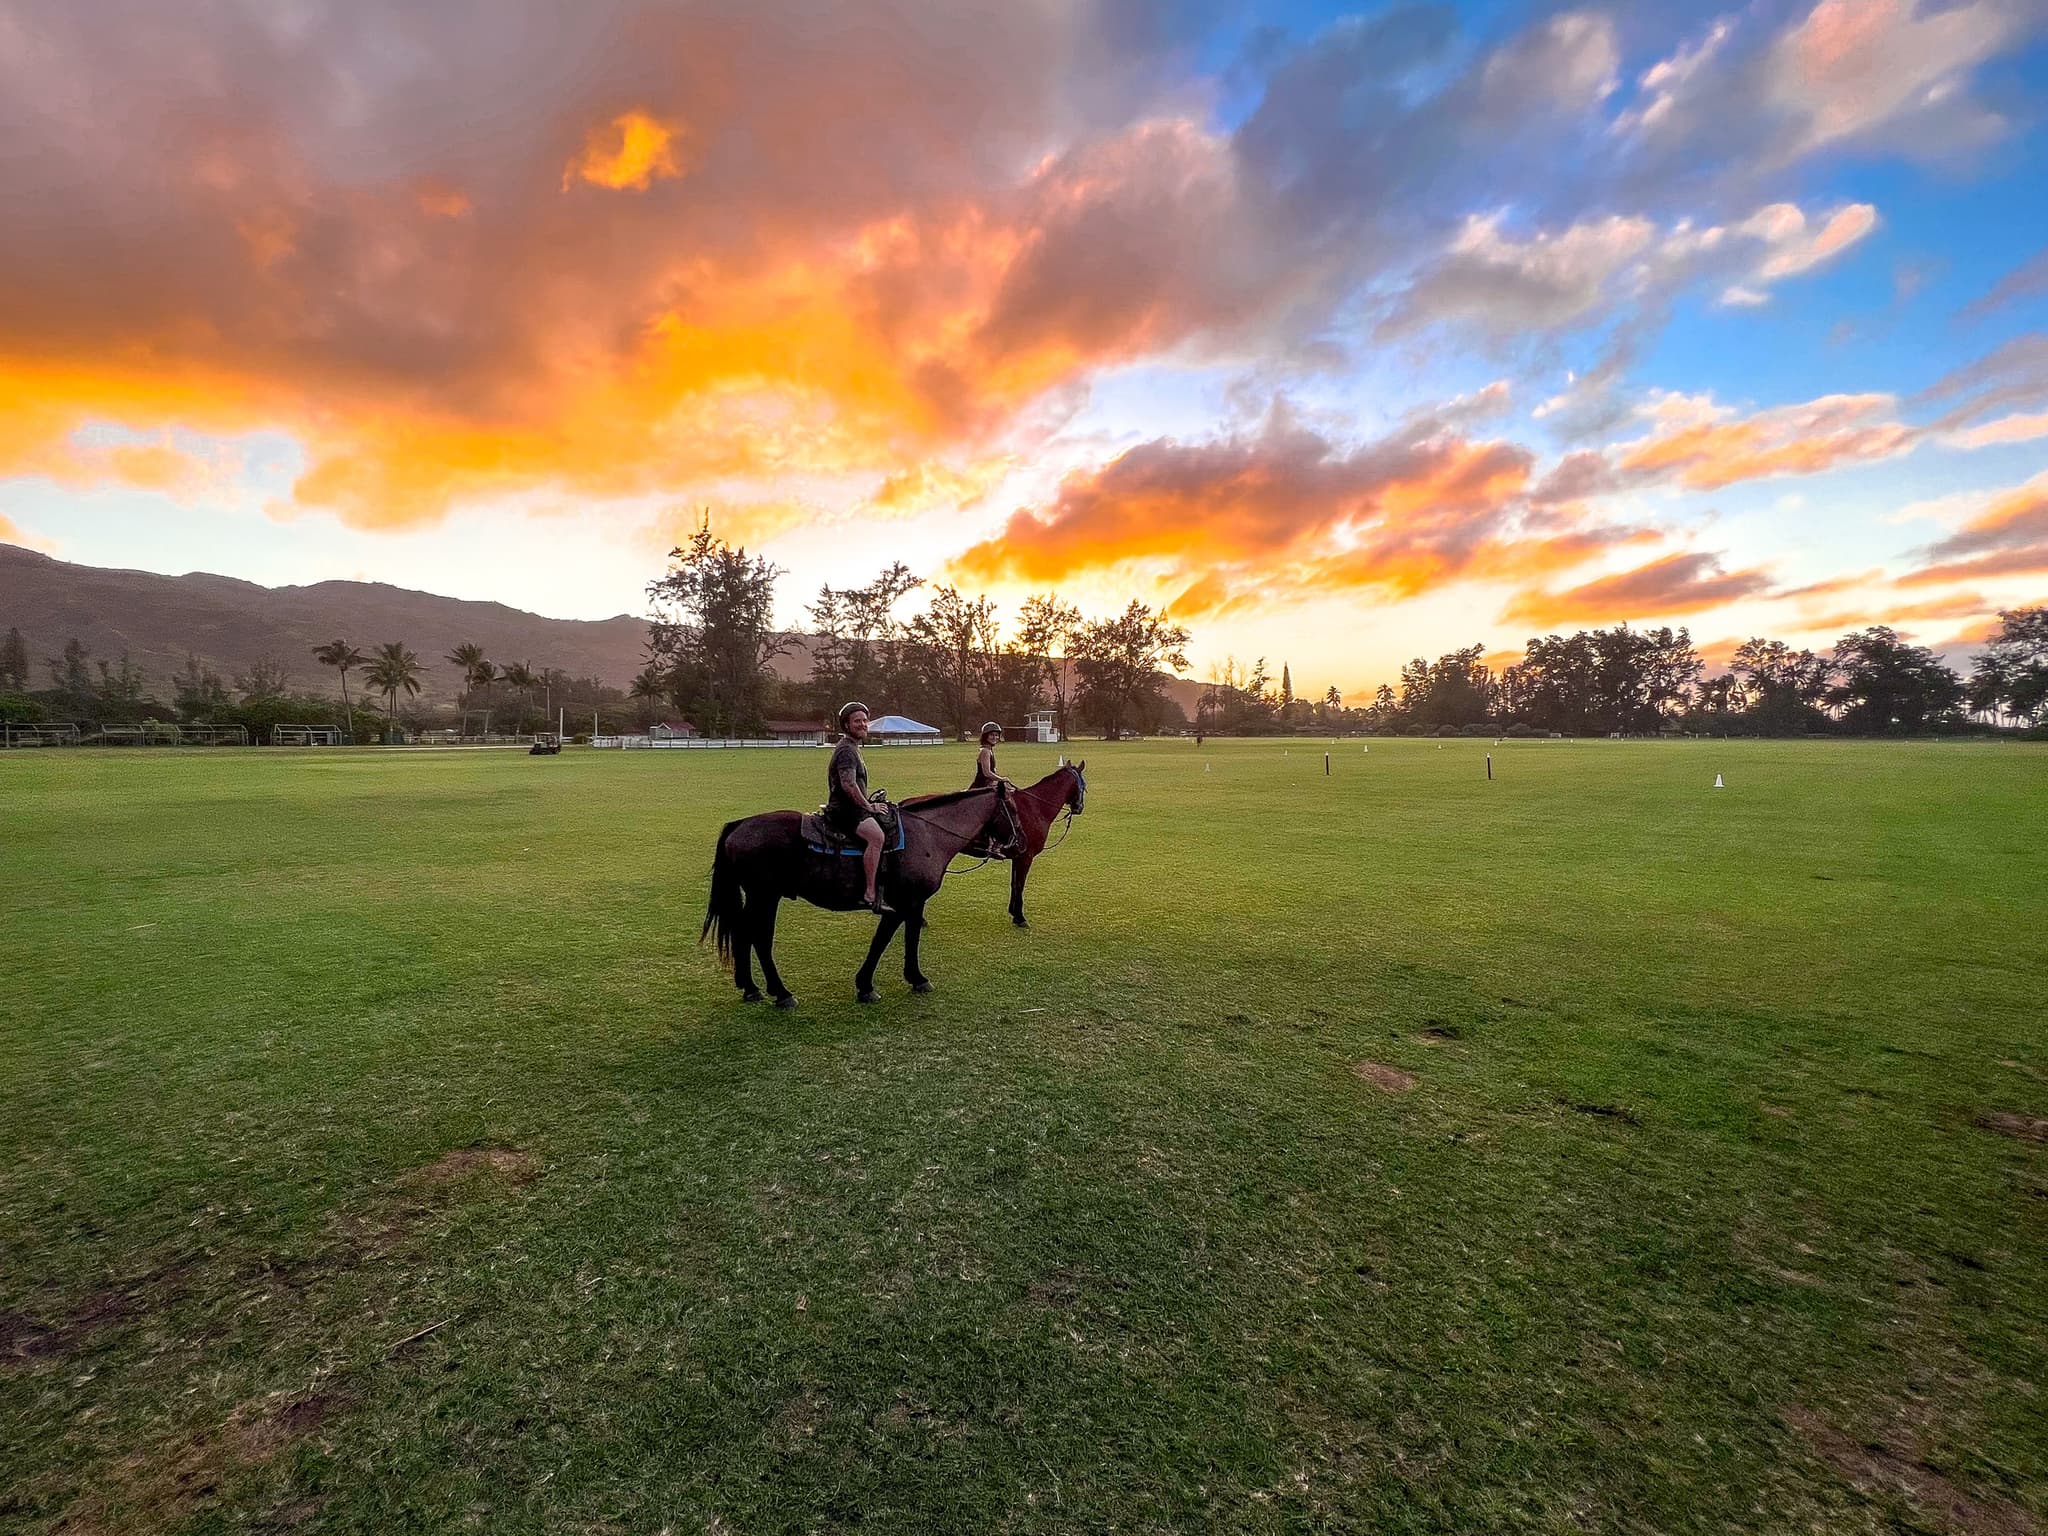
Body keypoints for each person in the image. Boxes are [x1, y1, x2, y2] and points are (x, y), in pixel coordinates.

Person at [828, 701, 894, 914]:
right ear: (846, 725)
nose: (863, 724)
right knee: (877, 837)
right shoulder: (847, 750)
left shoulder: (852, 747)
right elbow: (848, 785)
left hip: (853, 808)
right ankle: (869, 893)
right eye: (857, 721)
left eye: (865, 720)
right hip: (846, 810)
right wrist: (869, 806)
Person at [971, 721, 1014, 790]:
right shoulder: (985, 751)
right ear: (985, 736)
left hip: (988, 783)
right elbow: (987, 773)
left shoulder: (989, 750)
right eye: (991, 735)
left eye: (996, 735)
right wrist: (1002, 779)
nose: (994, 737)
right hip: (982, 785)